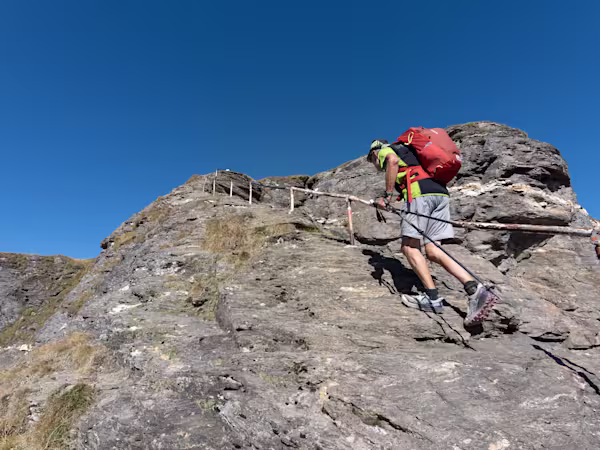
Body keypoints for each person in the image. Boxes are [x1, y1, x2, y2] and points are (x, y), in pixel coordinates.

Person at [367, 138, 492, 324]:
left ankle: (432, 298)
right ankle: (474, 289)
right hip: (439, 194)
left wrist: (387, 196)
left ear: (374, 153)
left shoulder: (386, 150)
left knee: (409, 247)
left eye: (372, 160)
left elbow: (392, 161)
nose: (374, 165)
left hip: (419, 192)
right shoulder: (409, 153)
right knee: (433, 250)